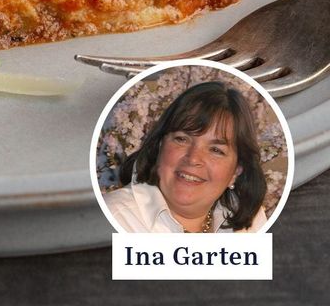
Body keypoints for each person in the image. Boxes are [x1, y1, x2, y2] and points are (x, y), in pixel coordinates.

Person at [104, 80, 268, 233]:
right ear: (160, 145)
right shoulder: (116, 216)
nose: (193, 158)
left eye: (216, 150)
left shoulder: (252, 220)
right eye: (182, 139)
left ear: (236, 171)